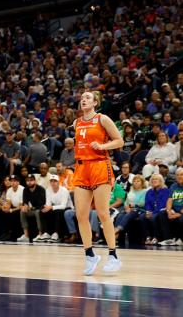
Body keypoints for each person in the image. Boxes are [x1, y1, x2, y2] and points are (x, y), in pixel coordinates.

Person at [72, 91, 124, 275]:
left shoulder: (103, 119)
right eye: (82, 98)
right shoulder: (77, 122)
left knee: (102, 212)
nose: (83, 99)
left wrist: (102, 146)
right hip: (81, 168)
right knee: (81, 215)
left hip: (100, 165)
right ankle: (90, 255)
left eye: (87, 97)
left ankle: (113, 255)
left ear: (95, 102)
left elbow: (119, 141)